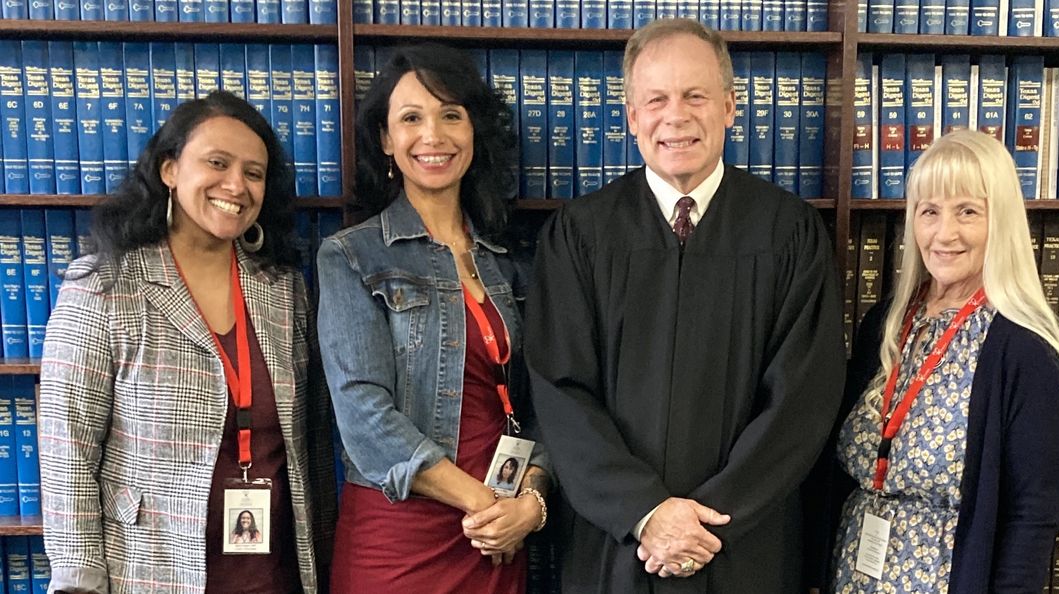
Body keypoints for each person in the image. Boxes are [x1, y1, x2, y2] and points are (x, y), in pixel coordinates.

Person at [525, 18, 846, 592]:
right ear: (631, 117)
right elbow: (560, 389)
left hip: (742, 545)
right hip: (618, 544)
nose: (676, 116)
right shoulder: (580, 234)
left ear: (729, 106)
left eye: (695, 95)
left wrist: (704, 522)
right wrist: (645, 512)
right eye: (656, 99)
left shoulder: (788, 231)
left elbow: (803, 398)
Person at [39, 90, 337, 594]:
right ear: (169, 170)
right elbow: (67, 448)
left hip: (275, 573)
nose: (235, 186)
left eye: (254, 173)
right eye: (217, 163)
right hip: (150, 572)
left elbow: (308, 443)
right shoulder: (106, 284)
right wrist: (77, 582)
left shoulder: (283, 289)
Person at [317, 43, 553, 593]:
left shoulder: (509, 261)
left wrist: (532, 503)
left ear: (473, 132)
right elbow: (363, 417)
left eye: (451, 115)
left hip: (497, 539)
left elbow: (549, 399)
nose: (434, 135)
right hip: (401, 537)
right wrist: (486, 504)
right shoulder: (351, 256)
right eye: (411, 118)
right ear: (385, 140)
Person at [825, 129, 1059, 593]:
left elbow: (1034, 513)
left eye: (967, 212)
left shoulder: (1024, 349)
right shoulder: (886, 323)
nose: (945, 234)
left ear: (1000, 222)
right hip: (854, 572)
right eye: (929, 212)